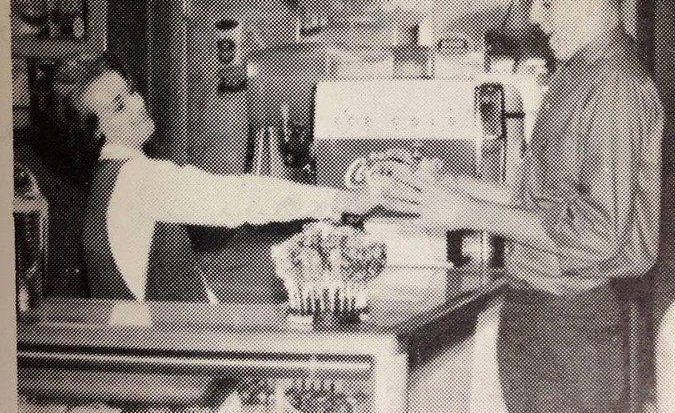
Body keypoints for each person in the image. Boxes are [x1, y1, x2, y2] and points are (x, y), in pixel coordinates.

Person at [416, 0, 663, 413]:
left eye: (546, 1)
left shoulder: (615, 90)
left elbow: (596, 234)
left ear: (594, 0)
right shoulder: (575, 78)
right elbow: (540, 204)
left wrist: (470, 215)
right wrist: (449, 186)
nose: (534, 16)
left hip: (573, 327)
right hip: (545, 322)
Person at [51, 52, 414, 303]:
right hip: (165, 375)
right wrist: (344, 199)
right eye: (119, 105)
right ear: (94, 132)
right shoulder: (137, 179)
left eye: (130, 91)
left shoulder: (108, 182)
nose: (138, 103)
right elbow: (240, 197)